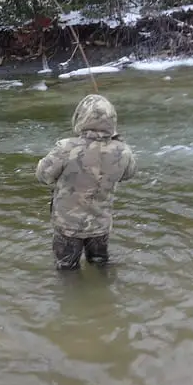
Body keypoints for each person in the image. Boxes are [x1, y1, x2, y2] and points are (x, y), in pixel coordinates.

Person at [35, 94, 137, 270]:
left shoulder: (66, 147)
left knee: (67, 270)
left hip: (68, 226)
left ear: (81, 117)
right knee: (100, 266)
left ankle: (75, 296)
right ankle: (104, 295)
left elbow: (43, 176)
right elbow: (128, 174)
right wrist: (118, 143)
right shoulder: (122, 150)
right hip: (101, 225)